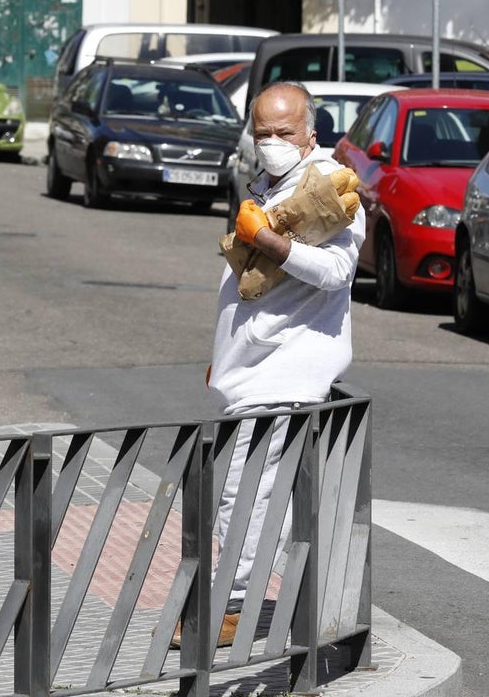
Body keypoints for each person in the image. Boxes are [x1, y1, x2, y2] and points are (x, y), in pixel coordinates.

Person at [191, 81, 366, 649]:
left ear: (310, 132)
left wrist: (265, 237)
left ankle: (233, 608)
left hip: (286, 372)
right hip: (254, 369)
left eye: (283, 133)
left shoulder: (330, 186)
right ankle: (310, 604)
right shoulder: (269, 181)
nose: (271, 142)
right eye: (261, 132)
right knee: (275, 496)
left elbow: (336, 272)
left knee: (244, 493)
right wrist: (225, 355)